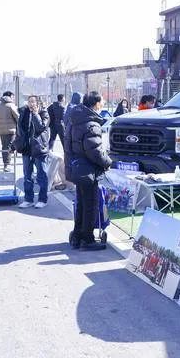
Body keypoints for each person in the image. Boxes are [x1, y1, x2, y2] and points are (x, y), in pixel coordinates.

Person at [64, 91, 111, 250]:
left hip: (76, 167)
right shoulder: (91, 124)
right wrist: (107, 162)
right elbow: (94, 151)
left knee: (81, 204)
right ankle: (87, 239)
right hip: (88, 171)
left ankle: (77, 236)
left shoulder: (74, 119)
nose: (103, 104)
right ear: (96, 104)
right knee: (90, 205)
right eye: (102, 101)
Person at [15, 95, 51, 209]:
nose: (31, 104)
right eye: (29, 101)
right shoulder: (24, 113)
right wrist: (14, 145)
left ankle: (42, 199)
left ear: (38, 103)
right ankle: (28, 199)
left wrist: (35, 114)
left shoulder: (44, 113)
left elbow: (41, 127)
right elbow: (20, 131)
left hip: (39, 149)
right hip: (27, 149)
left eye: (33, 102)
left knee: (41, 175)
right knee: (27, 176)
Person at [0, 91, 20, 172]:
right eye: (12, 96)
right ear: (9, 96)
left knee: (5, 146)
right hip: (11, 130)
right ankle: (7, 164)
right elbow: (18, 118)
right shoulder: (11, 106)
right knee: (9, 147)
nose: (13, 98)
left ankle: (6, 163)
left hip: (1, 131)